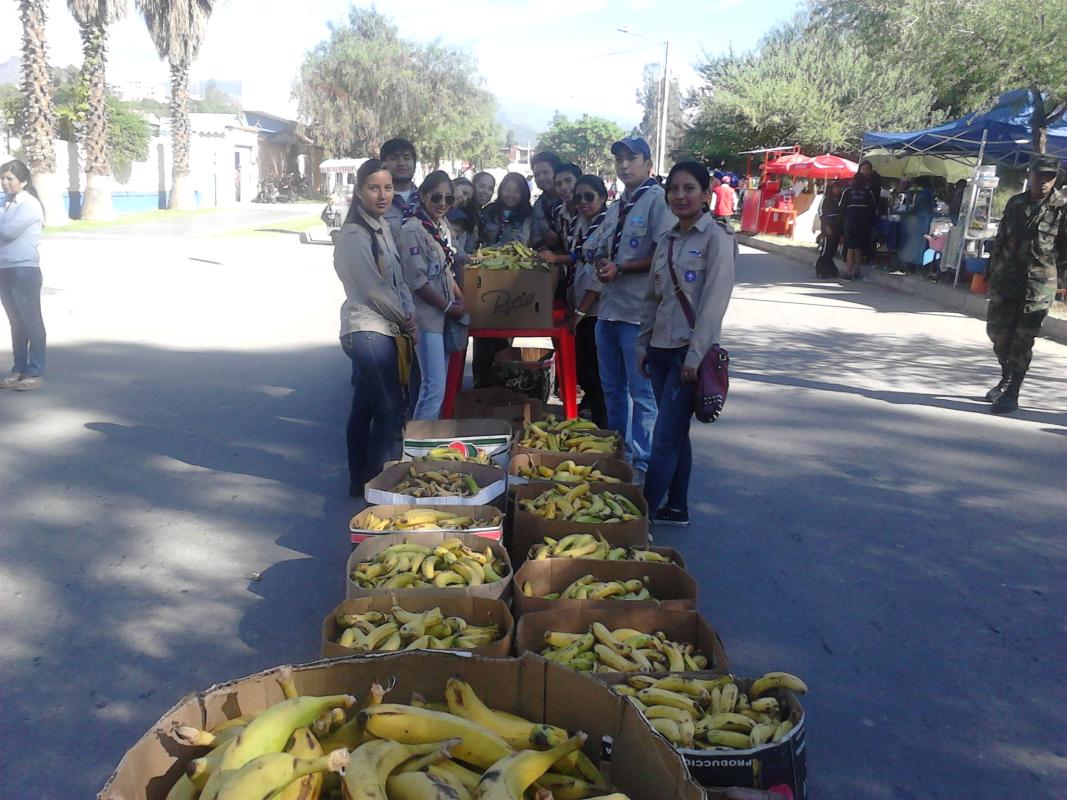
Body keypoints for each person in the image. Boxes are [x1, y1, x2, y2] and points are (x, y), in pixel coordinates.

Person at [637, 161, 734, 526]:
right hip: (661, 351)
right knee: (677, 434)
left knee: (663, 441)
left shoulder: (717, 240)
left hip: (687, 355)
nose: (680, 195)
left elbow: (713, 304)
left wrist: (694, 357)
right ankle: (676, 507)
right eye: (674, 189)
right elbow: (652, 299)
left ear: (706, 195)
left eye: (689, 188)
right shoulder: (667, 239)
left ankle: (638, 519)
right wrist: (642, 345)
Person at [594, 136, 676, 483]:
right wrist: (599, 259)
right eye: (620, 160)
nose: (625, 165)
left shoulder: (656, 202)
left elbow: (663, 254)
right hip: (608, 310)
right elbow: (599, 243)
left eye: (632, 158)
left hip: (637, 316)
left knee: (641, 393)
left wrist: (622, 268)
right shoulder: (619, 205)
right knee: (611, 389)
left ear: (648, 164)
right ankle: (618, 453)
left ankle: (642, 465)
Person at [333, 159, 417, 497]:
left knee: (365, 407)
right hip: (369, 331)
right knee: (389, 413)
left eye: (387, 187)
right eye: (373, 188)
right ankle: (380, 491)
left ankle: (361, 483)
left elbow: (398, 281)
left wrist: (406, 312)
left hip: (384, 328)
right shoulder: (355, 234)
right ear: (359, 191)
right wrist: (405, 317)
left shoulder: (381, 227)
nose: (382, 195)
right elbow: (372, 288)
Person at [983, 154, 1066, 414]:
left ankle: (1013, 392)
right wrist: (991, 269)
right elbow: (1001, 239)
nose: (1043, 181)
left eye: (1049, 177)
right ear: (1029, 174)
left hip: (1039, 284)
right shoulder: (1016, 203)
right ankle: (1006, 374)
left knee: (1023, 339)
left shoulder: (1063, 207)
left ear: (1055, 178)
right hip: (1006, 279)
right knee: (997, 334)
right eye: (1039, 174)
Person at [400, 171, 468, 420]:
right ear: (423, 196)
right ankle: (418, 449)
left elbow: (447, 269)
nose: (442, 204)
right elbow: (417, 281)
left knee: (437, 386)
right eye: (437, 197)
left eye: (449, 199)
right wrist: (449, 306)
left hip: (444, 313)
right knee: (433, 387)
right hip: (426, 317)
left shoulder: (440, 226)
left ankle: (426, 442)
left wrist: (461, 298)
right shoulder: (412, 229)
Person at [472, 171, 534, 388]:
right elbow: (477, 238)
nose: (511, 194)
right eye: (507, 188)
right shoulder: (489, 212)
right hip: (485, 275)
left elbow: (523, 241)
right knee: (482, 331)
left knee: (504, 330)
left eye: (517, 190)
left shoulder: (528, 215)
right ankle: (480, 382)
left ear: (524, 193)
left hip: (511, 276)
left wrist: (499, 253)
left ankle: (501, 382)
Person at [0, 160, 46, 391]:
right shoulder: (6, 204)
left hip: (24, 270)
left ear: (24, 181)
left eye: (10, 178)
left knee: (32, 322)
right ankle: (18, 369)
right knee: (16, 323)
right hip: (4, 269)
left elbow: (7, 232)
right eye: (3, 178)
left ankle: (35, 372)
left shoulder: (29, 204)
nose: (5, 183)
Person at [567, 174, 610, 427]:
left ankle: (604, 427)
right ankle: (594, 418)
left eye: (589, 197)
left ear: (603, 198)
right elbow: (577, 259)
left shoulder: (606, 225)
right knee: (584, 369)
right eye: (579, 197)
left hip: (595, 310)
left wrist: (580, 313)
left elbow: (597, 274)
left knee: (596, 373)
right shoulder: (580, 223)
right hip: (579, 302)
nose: (583, 202)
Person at [839, 172, 878, 280]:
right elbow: (873, 209)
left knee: (850, 248)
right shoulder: (868, 192)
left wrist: (841, 225)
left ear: (853, 180)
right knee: (858, 247)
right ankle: (857, 271)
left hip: (850, 222)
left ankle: (848, 272)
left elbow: (841, 208)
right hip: (863, 224)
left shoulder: (848, 191)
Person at [380, 137, 419, 243]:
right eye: (394, 158)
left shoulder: (429, 200)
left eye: (406, 158)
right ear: (383, 164)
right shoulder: (376, 202)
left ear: (414, 164)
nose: (401, 163)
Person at [530, 150, 562, 250]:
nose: (541, 178)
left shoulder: (571, 199)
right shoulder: (538, 206)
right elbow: (535, 238)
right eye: (537, 175)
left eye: (545, 172)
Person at [815, 181, 843, 278]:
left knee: (832, 250)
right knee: (826, 249)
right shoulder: (826, 199)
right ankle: (820, 269)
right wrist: (827, 226)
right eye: (836, 187)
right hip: (828, 227)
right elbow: (821, 212)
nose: (838, 189)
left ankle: (831, 270)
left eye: (839, 187)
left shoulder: (840, 199)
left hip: (837, 227)